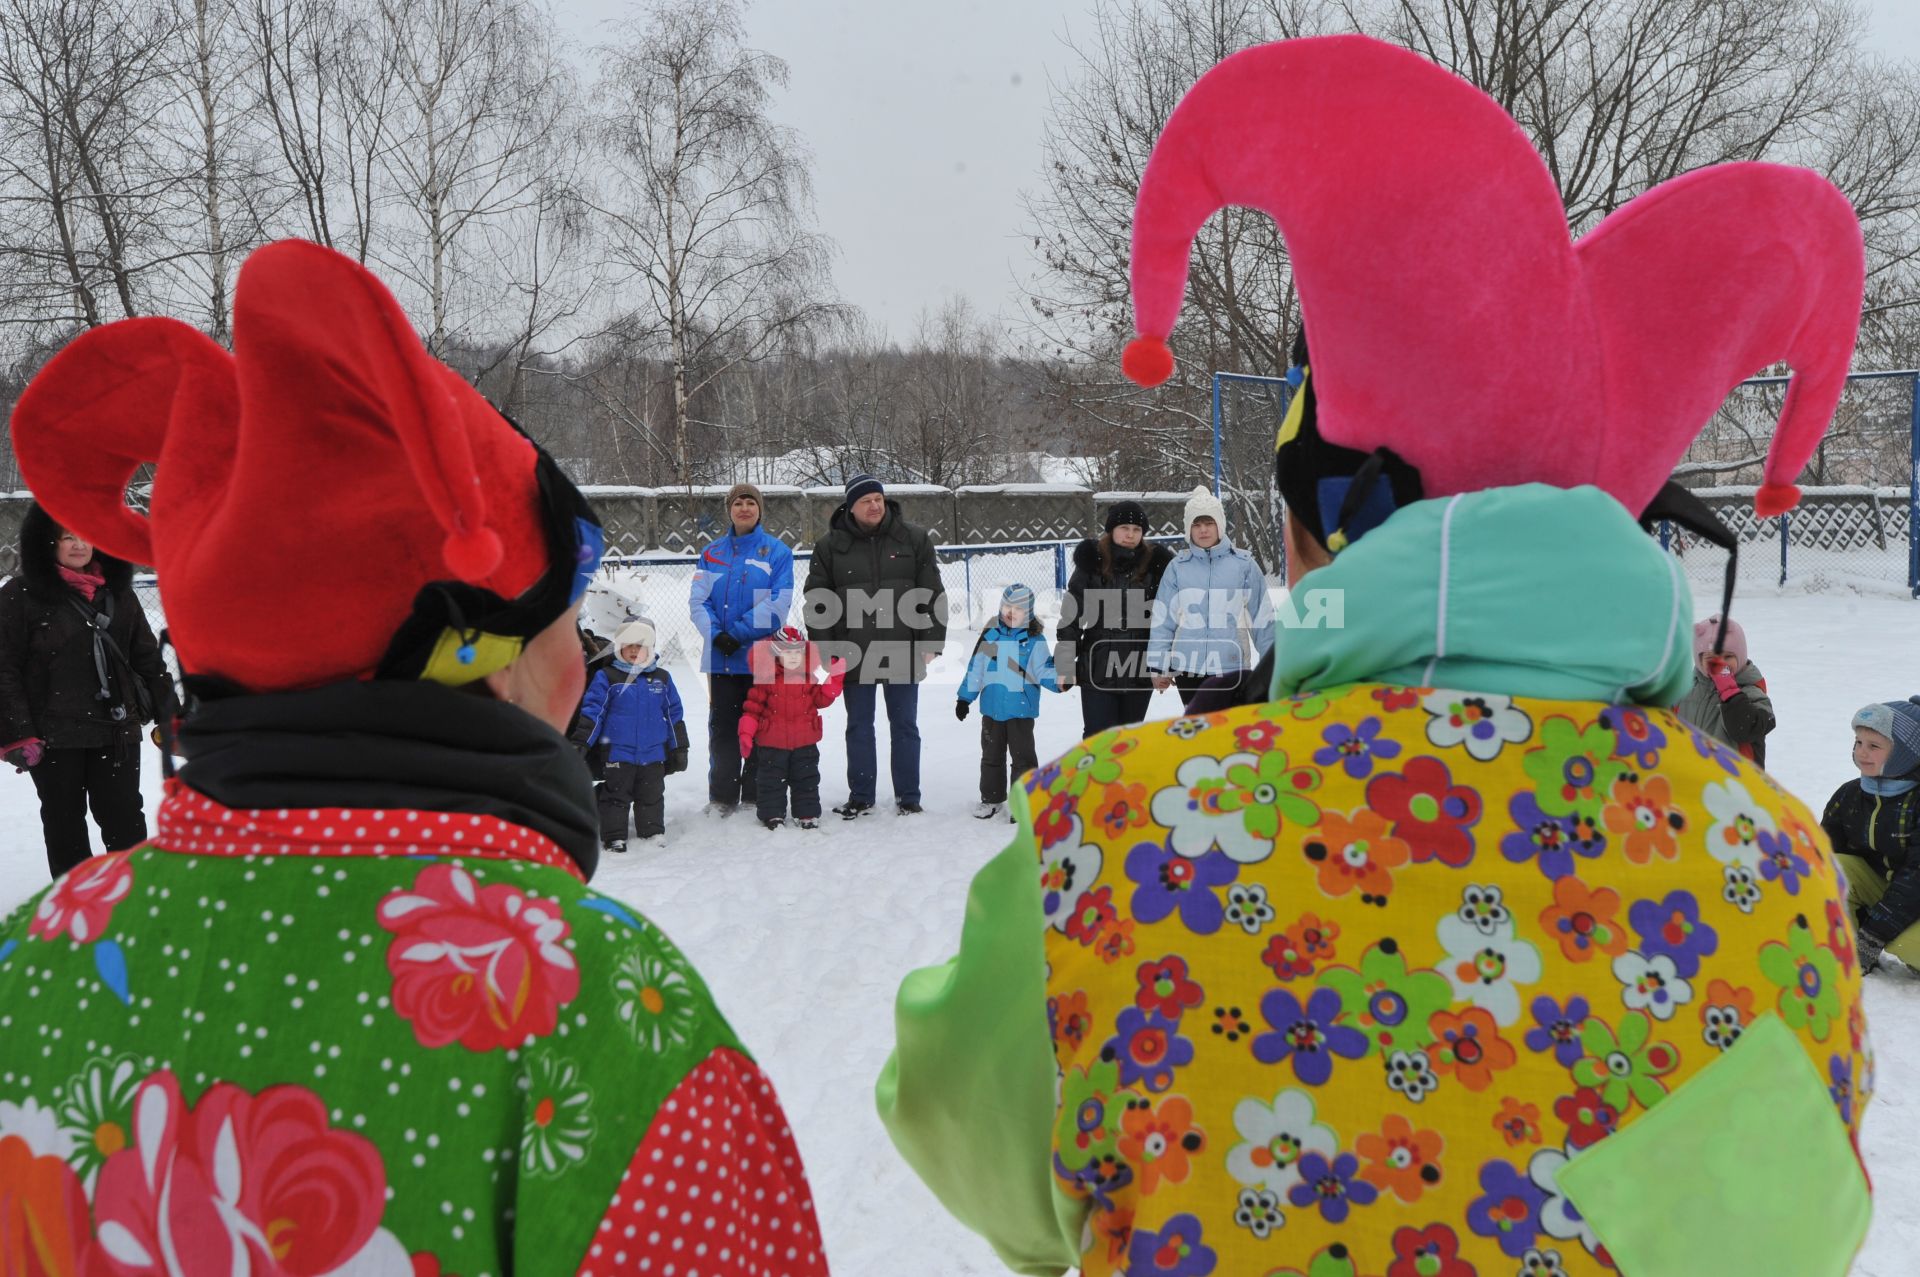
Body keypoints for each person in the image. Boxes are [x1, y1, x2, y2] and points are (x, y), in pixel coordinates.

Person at [877, 36, 1871, 1277]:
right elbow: (1787, 1241)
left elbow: (963, 1132)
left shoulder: (1111, 842)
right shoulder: (1776, 870)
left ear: (1309, 534)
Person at [0, 239, 826, 1274]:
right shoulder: (600, 1007)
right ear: (481, 658)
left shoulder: (31, 961)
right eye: (566, 620)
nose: (582, 657)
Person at [0, 502, 173, 879]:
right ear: (49, 543)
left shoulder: (118, 593)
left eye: (87, 537)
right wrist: (18, 734)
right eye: (68, 537)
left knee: (126, 820)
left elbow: (146, 657)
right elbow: (4, 668)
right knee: (65, 826)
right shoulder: (20, 595)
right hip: (53, 736)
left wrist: (170, 715)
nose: (79, 545)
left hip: (116, 731)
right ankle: (73, 906)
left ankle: (132, 900)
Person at [802, 473, 948, 817]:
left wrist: (931, 641)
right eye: (866, 501)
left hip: (903, 647)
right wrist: (827, 649)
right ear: (851, 507)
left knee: (905, 726)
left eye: (878, 499)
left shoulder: (913, 539)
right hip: (853, 651)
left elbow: (933, 594)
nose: (874, 505)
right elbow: (817, 601)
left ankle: (909, 797)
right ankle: (862, 794)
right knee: (859, 726)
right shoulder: (829, 546)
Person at [689, 481, 794, 817]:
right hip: (720, 659)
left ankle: (755, 793)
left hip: (761, 656)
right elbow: (697, 602)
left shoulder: (777, 552)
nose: (744, 508)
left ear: (760, 509)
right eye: (738, 503)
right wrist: (716, 634)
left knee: (762, 727)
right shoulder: (711, 554)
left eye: (751, 502)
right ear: (730, 510)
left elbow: (780, 604)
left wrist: (738, 632)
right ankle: (722, 797)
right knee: (723, 731)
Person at [1146, 484, 1273, 707]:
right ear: (1188, 529)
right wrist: (1158, 665)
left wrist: (1274, 664)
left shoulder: (1243, 565)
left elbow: (1262, 618)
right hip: (1189, 667)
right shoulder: (1178, 567)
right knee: (1198, 731)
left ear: (1220, 525)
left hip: (1231, 665)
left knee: (1229, 732)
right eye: (1197, 525)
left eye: (1209, 523)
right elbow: (1163, 619)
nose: (1203, 530)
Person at [1055, 499, 1174, 737]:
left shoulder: (1156, 565)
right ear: (1111, 530)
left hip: (1138, 670)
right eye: (1124, 528)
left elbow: (1167, 621)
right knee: (1098, 740)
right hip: (1098, 669)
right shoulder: (1092, 563)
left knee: (1129, 742)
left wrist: (1164, 666)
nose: (1130, 534)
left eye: (1137, 529)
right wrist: (1065, 665)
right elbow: (1071, 617)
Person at [572, 618, 688, 852]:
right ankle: (614, 836)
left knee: (651, 795)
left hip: (653, 753)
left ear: (650, 648)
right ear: (619, 648)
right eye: (629, 645)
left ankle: (652, 832)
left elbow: (673, 714)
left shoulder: (662, 679)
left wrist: (679, 747)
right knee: (616, 796)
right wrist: (582, 742)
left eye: (640, 645)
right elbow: (593, 712)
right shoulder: (608, 677)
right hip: (618, 752)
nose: (634, 650)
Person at [1825, 697, 1920, 973]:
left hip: (1912, 896)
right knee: (1828, 869)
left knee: (1902, 942)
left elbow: (1916, 877)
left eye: (1874, 746)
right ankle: (1843, 945)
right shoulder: (1851, 794)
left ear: (1904, 753)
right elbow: (1822, 851)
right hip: (1884, 890)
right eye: (1858, 743)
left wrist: (1876, 932)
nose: (1861, 752)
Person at [956, 583, 1061, 820]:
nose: (1010, 612)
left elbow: (1044, 670)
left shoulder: (1035, 641)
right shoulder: (990, 636)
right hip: (992, 711)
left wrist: (1061, 682)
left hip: (1020, 711)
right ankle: (991, 799)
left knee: (1023, 759)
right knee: (991, 757)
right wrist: (964, 698)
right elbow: (976, 670)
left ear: (1030, 613)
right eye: (1006, 607)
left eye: (1018, 609)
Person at [738, 625, 844, 830]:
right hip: (772, 743)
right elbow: (753, 708)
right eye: (788, 652)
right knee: (771, 780)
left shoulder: (808, 679)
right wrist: (746, 732)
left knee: (806, 779)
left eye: (798, 652)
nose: (794, 657)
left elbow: (821, 699)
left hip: (804, 742)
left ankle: (807, 813)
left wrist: (835, 679)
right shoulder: (766, 680)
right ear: (777, 654)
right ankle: (772, 814)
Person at [1674, 614, 1774, 766]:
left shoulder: (1750, 690)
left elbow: (1748, 729)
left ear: (1740, 657)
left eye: (1727, 657)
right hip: (1691, 777)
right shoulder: (1685, 688)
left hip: (1735, 781)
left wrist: (1730, 692)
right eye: (1710, 659)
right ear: (1699, 661)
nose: (1719, 664)